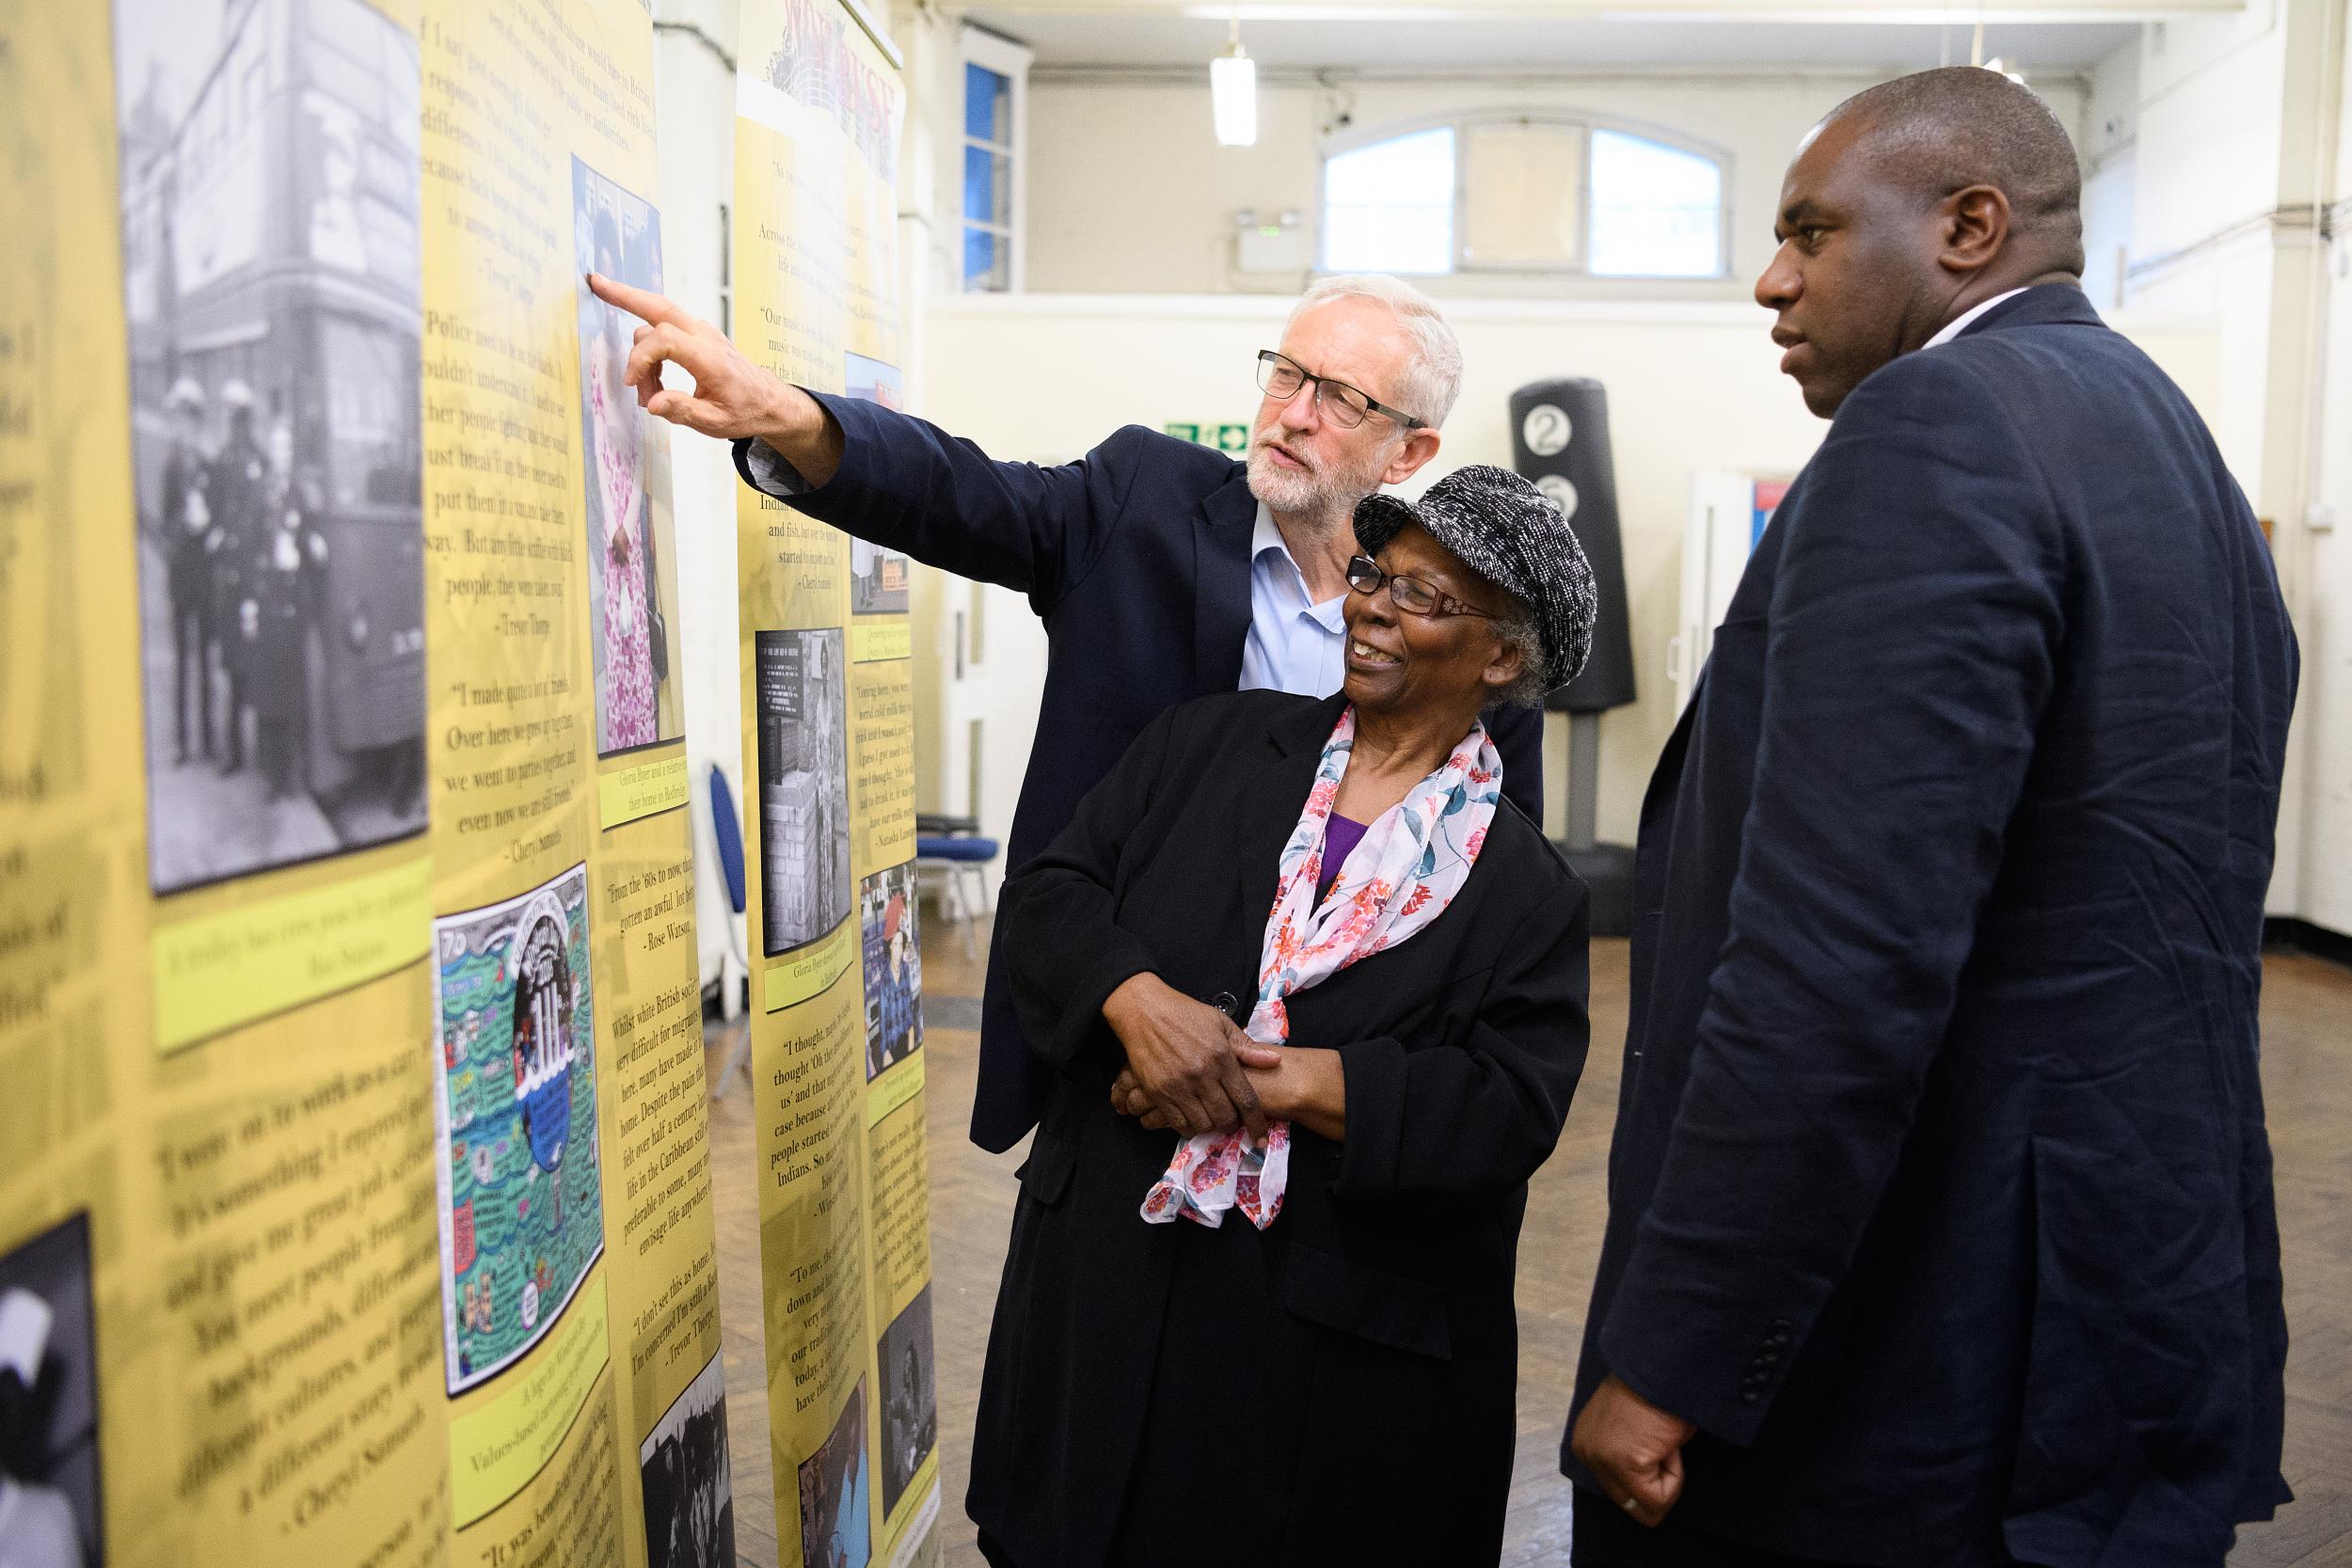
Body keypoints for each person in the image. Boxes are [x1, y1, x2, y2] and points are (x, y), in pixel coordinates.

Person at [1564, 68, 2296, 1568]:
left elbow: (1838, 964)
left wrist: (1680, 1351)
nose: (1771, 280)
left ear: (1970, 226)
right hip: (2126, 1305)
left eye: (1812, 230)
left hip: (1926, 1346)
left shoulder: (1935, 430)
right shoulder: (2173, 446)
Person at [585, 269, 1547, 1153]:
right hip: (1119, 1054)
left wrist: (1308, 1081)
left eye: (1340, 398)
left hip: (1323, 1104)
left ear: (1409, 447)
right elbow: (962, 492)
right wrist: (786, 416)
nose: (1292, 414)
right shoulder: (1144, 502)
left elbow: (1480, 896)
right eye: (1286, 374)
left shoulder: (1454, 643)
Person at [966, 467, 1596, 1567]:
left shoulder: (1524, 888)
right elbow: (1053, 893)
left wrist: (1275, 1078)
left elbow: (1503, 1108)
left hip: (1323, 1370)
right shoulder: (1203, 745)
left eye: (1423, 596)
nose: (1370, 607)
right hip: (1106, 1298)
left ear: (1503, 657)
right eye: (1371, 574)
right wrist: (1135, 997)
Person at [205, 380, 268, 775]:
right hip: (231, 580)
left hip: (248, 580)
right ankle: (236, 750)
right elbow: (214, 511)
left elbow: (256, 519)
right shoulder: (224, 459)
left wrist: (229, 534)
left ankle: (249, 751)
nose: (233, 421)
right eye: (230, 415)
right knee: (232, 665)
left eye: (237, 414)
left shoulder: (253, 460)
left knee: (251, 665)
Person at [156, 376, 215, 766]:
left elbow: (219, 516)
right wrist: (185, 523)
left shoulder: (208, 468)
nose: (186, 428)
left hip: (205, 575)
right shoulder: (169, 469)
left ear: (197, 423)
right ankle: (182, 742)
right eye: (180, 421)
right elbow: (164, 526)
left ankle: (209, 741)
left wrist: (207, 521)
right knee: (182, 659)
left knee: (207, 659)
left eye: (191, 421)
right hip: (181, 575)